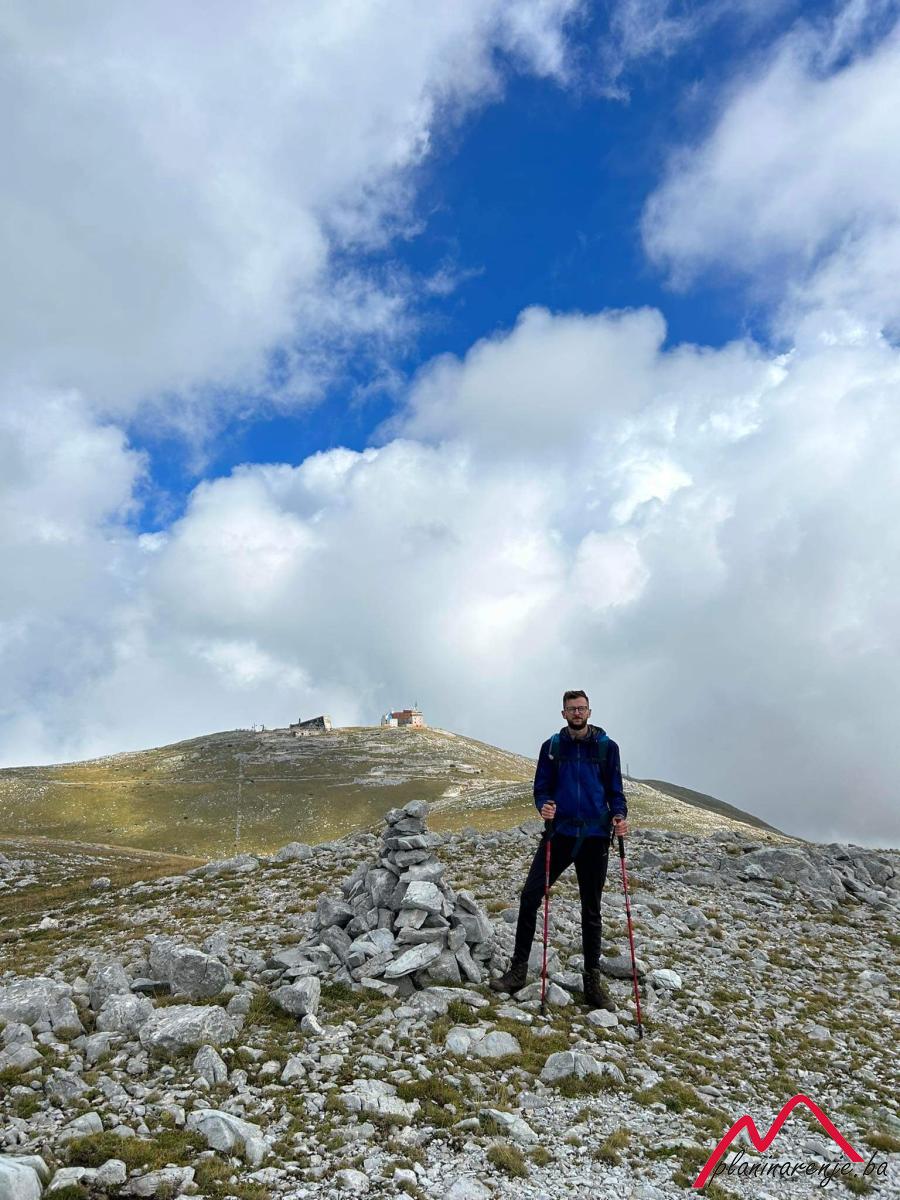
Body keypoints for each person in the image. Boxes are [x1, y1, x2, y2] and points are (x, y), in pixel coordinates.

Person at [490, 689, 629, 1009]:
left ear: (589, 711)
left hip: (595, 836)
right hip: (560, 834)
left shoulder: (607, 748)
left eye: (581, 708)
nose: (577, 713)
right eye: (572, 709)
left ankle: (592, 983)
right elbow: (542, 787)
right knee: (530, 896)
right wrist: (544, 806)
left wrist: (620, 816)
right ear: (563, 714)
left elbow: (615, 791)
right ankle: (518, 971)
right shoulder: (551, 747)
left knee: (591, 910)